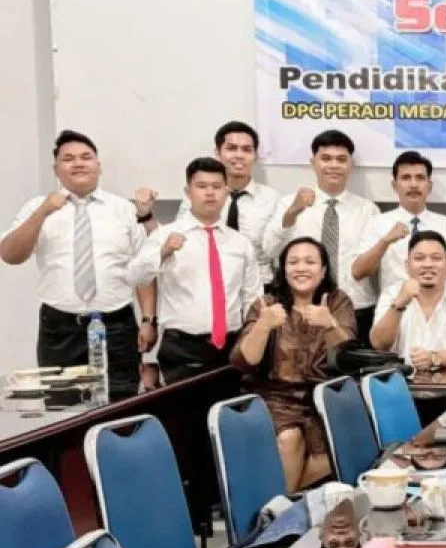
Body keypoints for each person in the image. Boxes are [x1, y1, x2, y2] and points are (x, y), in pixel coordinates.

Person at [0, 130, 158, 398]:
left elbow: (143, 270)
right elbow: (10, 255)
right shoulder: (38, 207)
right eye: (68, 159)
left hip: (116, 325)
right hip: (61, 327)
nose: (78, 163)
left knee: (121, 402)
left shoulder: (123, 209)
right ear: (56, 169)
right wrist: (43, 212)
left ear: (99, 166)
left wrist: (147, 320)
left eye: (86, 157)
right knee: (62, 407)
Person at [231, 237, 356, 491]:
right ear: (284, 270)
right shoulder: (267, 304)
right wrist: (263, 325)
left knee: (347, 444)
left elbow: (349, 359)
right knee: (290, 438)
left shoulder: (337, 301)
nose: (301, 268)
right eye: (293, 262)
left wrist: (331, 325)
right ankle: (282, 506)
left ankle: (274, 501)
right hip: (276, 398)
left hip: (323, 399)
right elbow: (243, 362)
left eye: (310, 262)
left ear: (323, 271)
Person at [129, 158, 263, 383]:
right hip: (183, 347)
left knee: (231, 405)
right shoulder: (165, 235)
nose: (210, 193)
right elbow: (135, 276)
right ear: (188, 192)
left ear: (226, 192)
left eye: (217, 186)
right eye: (201, 186)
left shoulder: (240, 243)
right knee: (186, 406)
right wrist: (162, 253)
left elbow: (252, 297)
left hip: (232, 346)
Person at [264, 130, 380, 338]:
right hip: (302, 309)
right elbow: (270, 250)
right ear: (313, 163)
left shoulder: (368, 210)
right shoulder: (289, 203)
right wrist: (292, 212)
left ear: (351, 165)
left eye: (341, 159)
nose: (334, 165)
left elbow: (373, 265)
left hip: (356, 308)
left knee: (351, 360)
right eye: (326, 158)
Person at [178, 121, 280, 284]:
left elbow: (276, 251)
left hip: (259, 285)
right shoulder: (199, 195)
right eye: (231, 148)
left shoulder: (272, 198)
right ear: (217, 153)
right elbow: (183, 240)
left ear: (255, 156)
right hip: (208, 283)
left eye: (247, 149)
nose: (239, 155)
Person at [351, 150, 446, 292]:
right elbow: (358, 272)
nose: (413, 184)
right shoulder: (378, 223)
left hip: (438, 303)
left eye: (420, 178)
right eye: (406, 178)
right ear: (394, 186)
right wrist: (385, 242)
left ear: (429, 186)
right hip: (393, 303)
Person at [369, 230, 446, 372]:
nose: (428, 264)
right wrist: (398, 305)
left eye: (436, 258)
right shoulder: (392, 294)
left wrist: (434, 358)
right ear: (407, 265)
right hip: (401, 380)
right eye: (419, 258)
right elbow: (379, 344)